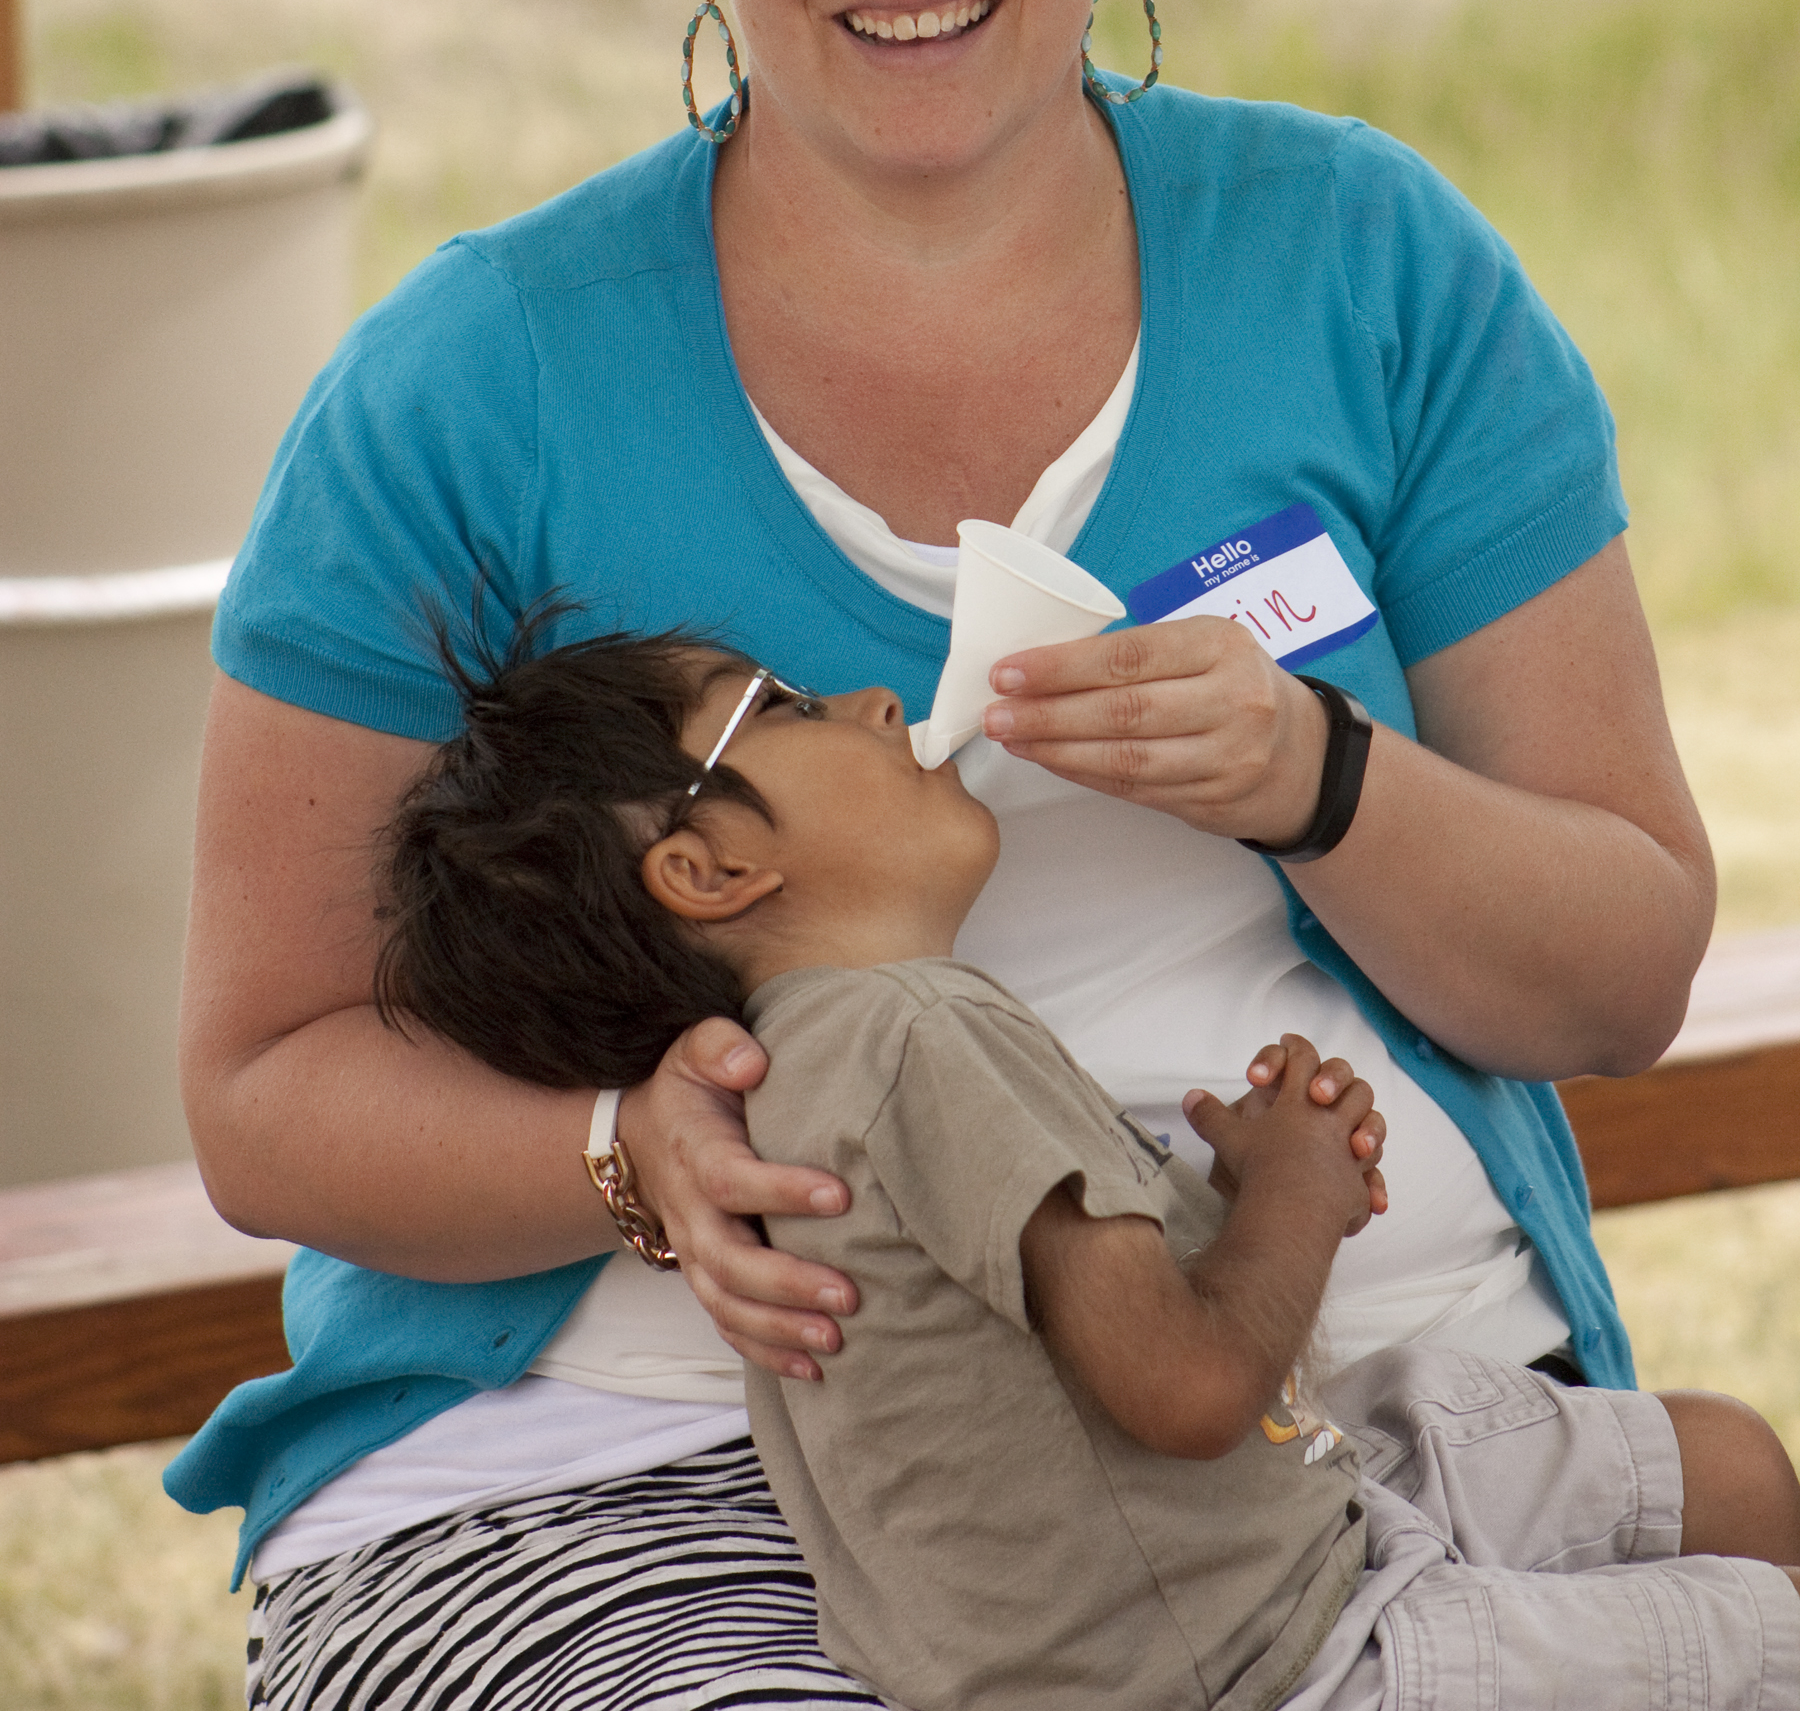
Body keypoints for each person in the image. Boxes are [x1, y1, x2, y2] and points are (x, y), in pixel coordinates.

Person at [169, 0, 1718, 1709]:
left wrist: (1322, 778)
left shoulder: (1368, 265)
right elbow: (264, 1088)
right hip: (638, 1455)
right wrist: (626, 1161)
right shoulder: (473, 382)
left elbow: (1625, 972)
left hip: (1345, 1410)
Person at [365, 616, 1800, 1710]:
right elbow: (1182, 1388)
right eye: (781, 709)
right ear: (708, 870)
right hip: (1265, 1655)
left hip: (1253, 1552)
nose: (871, 702)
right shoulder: (918, 1039)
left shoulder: (830, 1065)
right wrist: (1297, 1189)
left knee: (1718, 1464)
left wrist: (1222, 1202)